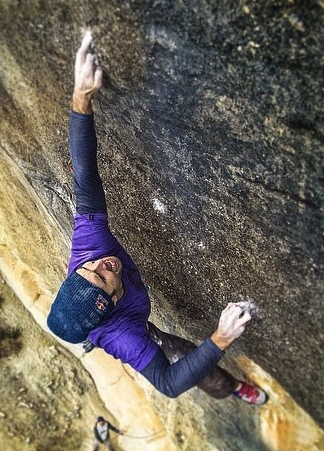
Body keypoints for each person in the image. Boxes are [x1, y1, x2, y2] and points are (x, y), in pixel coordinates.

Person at [47, 32, 268, 405]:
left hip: (97, 309)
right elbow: (167, 384)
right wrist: (221, 338)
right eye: (104, 277)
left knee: (188, 354)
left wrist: (81, 95)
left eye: (91, 268)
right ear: (114, 300)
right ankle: (233, 389)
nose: (102, 264)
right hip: (122, 325)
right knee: (183, 356)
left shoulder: (89, 251)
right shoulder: (122, 335)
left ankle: (223, 381)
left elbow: (85, 176)